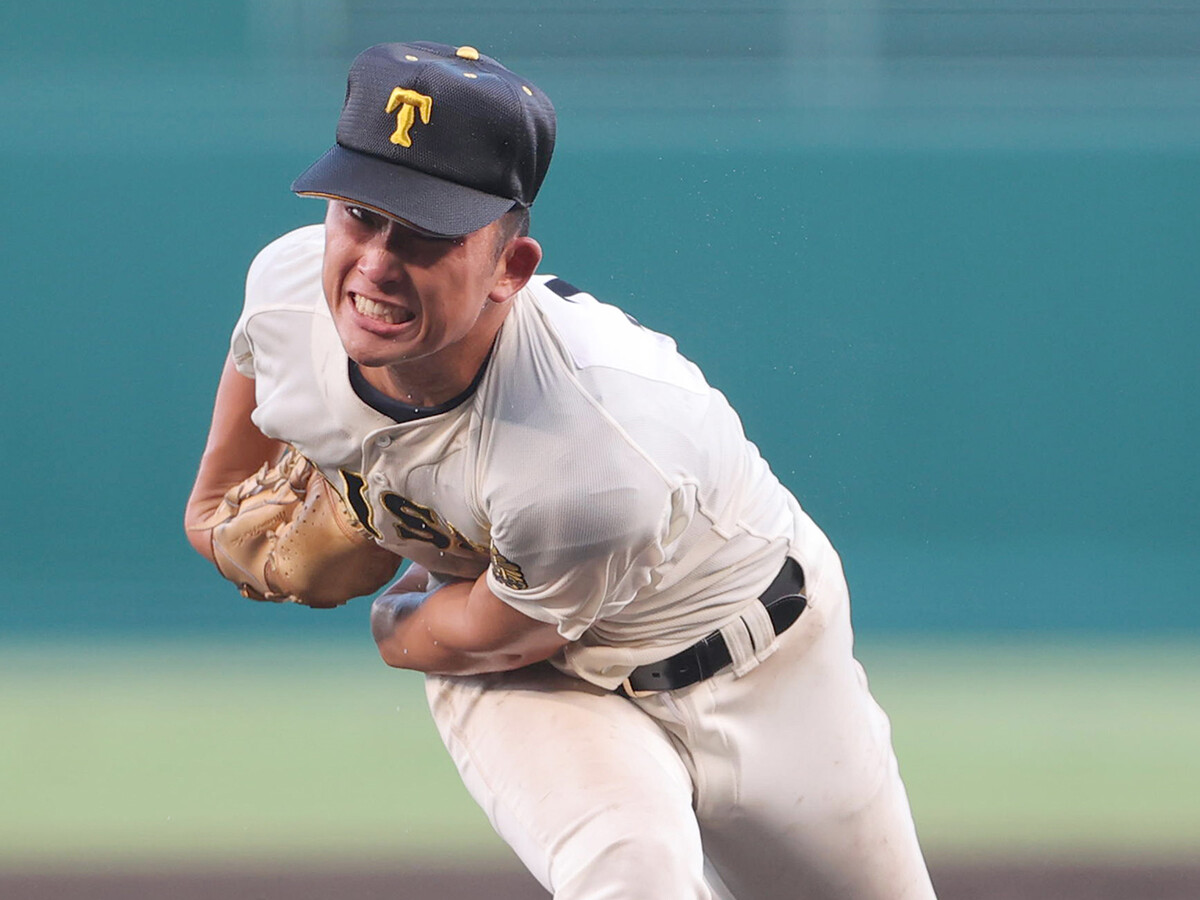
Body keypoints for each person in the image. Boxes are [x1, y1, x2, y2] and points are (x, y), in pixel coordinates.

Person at [184, 41, 938, 900]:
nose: (377, 262)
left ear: (511, 268)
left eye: (426, 231)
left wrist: (392, 627)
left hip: (759, 664)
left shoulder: (587, 451)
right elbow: (215, 498)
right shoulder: (286, 290)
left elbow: (484, 630)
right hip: (542, 685)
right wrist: (220, 533)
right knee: (633, 875)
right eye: (358, 210)